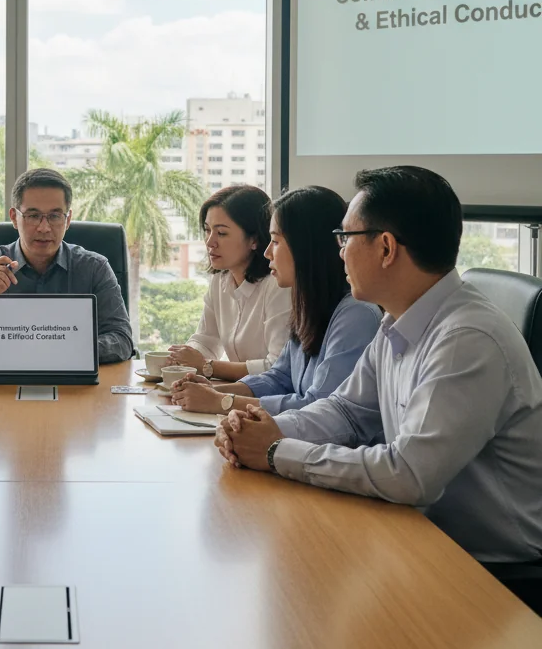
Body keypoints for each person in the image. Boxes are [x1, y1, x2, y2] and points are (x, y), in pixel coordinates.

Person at [215, 166, 542, 584]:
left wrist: (276, 451)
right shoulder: (396, 322)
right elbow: (346, 412)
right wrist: (264, 428)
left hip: (491, 571)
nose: (338, 253)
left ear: (386, 248)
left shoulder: (466, 338)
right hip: (420, 537)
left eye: (345, 239)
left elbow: (409, 475)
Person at [170, 186, 380, 415]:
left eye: (276, 242)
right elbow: (279, 377)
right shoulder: (311, 305)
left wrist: (222, 401)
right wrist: (214, 392)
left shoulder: (356, 316)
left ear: (306, 247)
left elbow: (318, 407)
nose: (267, 252)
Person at [0, 167, 133, 364]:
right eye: (33, 216)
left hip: (75, 384)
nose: (44, 227)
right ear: (14, 217)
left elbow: (122, 340)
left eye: (55, 216)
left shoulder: (95, 268)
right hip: (3, 385)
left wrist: (64, 347)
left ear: (68, 220)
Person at [167, 185, 291, 381]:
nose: (209, 242)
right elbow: (206, 341)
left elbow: (277, 367)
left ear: (255, 239)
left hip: (265, 401)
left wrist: (207, 367)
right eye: (207, 230)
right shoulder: (220, 280)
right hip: (235, 393)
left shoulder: (278, 285)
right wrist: (182, 357)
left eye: (221, 233)